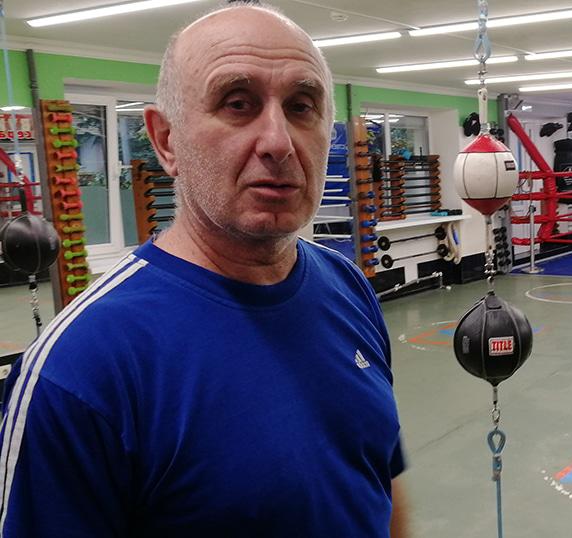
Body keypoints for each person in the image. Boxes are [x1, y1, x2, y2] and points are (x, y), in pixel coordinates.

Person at [0, 3, 409, 537]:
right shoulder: (78, 368)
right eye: (237, 104)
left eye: (301, 106)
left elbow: (379, 476)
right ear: (166, 140)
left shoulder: (348, 285)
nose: (279, 141)